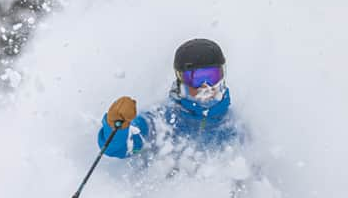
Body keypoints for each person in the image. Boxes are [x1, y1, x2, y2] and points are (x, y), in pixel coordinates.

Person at [98, 38, 244, 161]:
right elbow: (122, 147)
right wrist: (117, 128)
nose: (205, 86)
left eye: (212, 76)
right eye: (195, 78)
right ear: (181, 79)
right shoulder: (162, 120)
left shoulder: (234, 127)